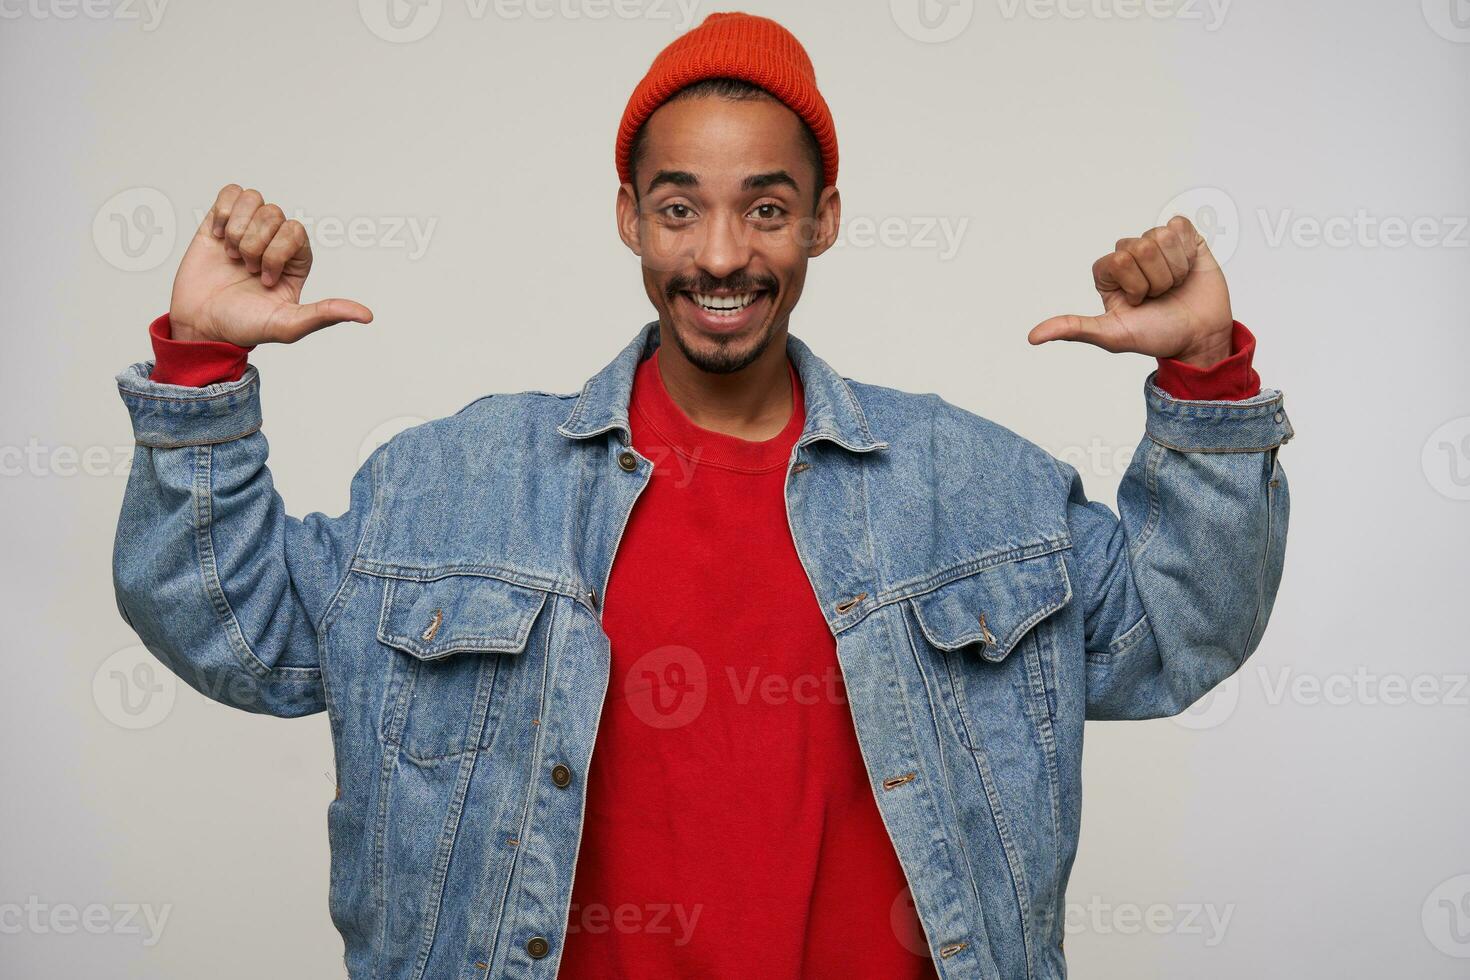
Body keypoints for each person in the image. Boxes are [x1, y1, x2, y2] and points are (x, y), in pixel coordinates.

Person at [111, 11, 1292, 979]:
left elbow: (1169, 632)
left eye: (766, 208)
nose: (721, 254)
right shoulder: (452, 484)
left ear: (822, 221)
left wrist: (1204, 375)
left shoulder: (971, 486)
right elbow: (246, 633)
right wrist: (205, 368)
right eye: (680, 208)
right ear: (630, 216)